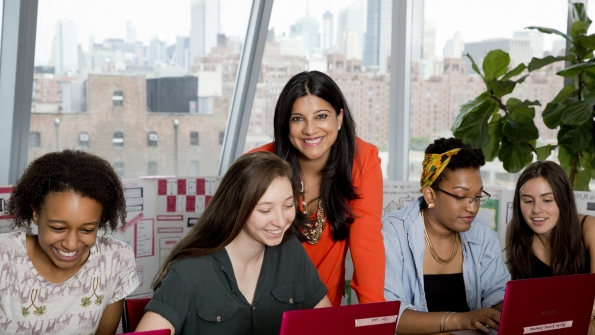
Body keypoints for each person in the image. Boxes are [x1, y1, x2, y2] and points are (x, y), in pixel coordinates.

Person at [135, 152, 331, 335]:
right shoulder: (188, 272)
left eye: (288, 206)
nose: (281, 221)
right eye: (265, 210)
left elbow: (330, 326)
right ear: (237, 208)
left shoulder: (290, 252)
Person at [250, 70, 385, 306]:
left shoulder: (362, 159)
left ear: (339, 117)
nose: (310, 130)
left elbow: (368, 246)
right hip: (261, 309)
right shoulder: (256, 164)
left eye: (321, 116)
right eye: (297, 119)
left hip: (323, 311)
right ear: (285, 123)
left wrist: (373, 322)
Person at [0, 150, 138, 335]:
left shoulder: (116, 260)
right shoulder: (4, 258)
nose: (72, 245)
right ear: (36, 213)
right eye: (58, 228)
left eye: (87, 230)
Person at [383, 137, 510, 334]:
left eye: (477, 197)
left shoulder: (481, 233)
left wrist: (506, 310)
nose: (473, 207)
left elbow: (499, 295)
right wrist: (461, 320)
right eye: (460, 197)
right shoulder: (393, 233)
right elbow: (389, 316)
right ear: (430, 195)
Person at [506, 160, 595, 279]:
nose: (536, 209)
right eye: (528, 201)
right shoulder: (514, 229)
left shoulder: (590, 228)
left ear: (564, 200)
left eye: (547, 200)